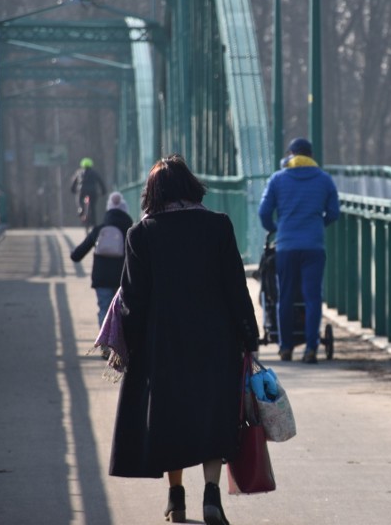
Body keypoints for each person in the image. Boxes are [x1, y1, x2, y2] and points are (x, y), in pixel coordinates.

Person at [110, 155, 259, 525]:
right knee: (214, 417)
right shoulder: (218, 226)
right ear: (192, 186)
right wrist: (249, 335)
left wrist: (126, 345)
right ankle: (211, 496)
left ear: (151, 193)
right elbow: (235, 288)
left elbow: (132, 298)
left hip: (164, 346)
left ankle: (176, 500)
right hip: (215, 342)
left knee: (170, 419)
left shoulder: (140, 234)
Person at [258, 138, 340, 363]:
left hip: (286, 246)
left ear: (291, 154)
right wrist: (317, 225)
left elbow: (264, 212)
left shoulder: (278, 179)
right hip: (313, 246)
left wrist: (277, 228)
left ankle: (285, 348)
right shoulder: (324, 180)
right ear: (311, 155)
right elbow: (333, 212)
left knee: (284, 296)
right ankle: (311, 348)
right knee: (313, 297)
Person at [69, 191, 134, 336]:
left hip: (102, 278)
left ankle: (105, 341)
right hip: (122, 279)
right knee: (122, 311)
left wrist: (74, 255)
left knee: (104, 308)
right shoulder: (130, 231)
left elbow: (78, 253)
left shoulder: (99, 230)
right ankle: (119, 344)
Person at [70, 157, 107, 226]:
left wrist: (73, 190)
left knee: (79, 199)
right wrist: (103, 191)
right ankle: (94, 223)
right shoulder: (94, 173)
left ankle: (81, 208)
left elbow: (74, 183)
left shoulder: (79, 172)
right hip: (93, 192)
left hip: (82, 191)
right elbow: (100, 182)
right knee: (92, 207)